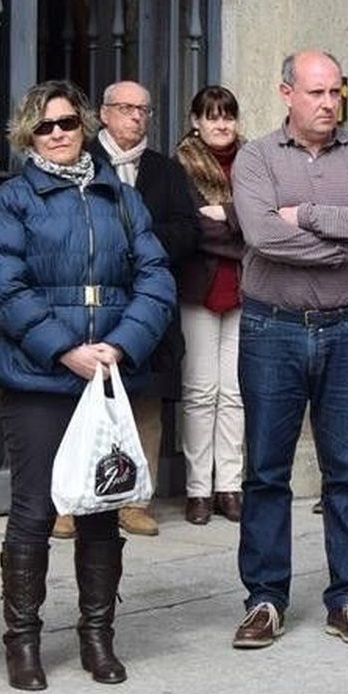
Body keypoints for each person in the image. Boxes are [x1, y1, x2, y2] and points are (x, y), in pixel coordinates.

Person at [0, 80, 176, 690]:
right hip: (39, 377)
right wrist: (65, 350)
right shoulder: (12, 200)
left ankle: (97, 636)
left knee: (101, 511)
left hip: (108, 374)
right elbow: (5, 287)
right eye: (45, 126)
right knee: (35, 511)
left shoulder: (119, 196)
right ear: (26, 135)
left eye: (67, 122)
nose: (59, 133)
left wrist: (119, 346)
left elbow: (156, 276)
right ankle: (24, 642)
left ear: (85, 125)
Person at [230, 50, 348, 651]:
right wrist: (345, 238)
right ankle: (264, 600)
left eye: (336, 92)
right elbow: (260, 235)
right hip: (271, 330)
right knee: (266, 470)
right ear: (286, 93)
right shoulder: (254, 158)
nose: (329, 104)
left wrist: (304, 215)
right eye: (317, 93)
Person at [88, 80, 200, 538]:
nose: (137, 117)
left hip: (149, 302)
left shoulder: (165, 170)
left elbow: (188, 229)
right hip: (94, 300)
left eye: (144, 110)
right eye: (127, 108)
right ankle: (72, 502)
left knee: (145, 406)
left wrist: (143, 244)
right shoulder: (82, 159)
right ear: (104, 113)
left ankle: (134, 500)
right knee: (84, 403)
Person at [173, 86, 247, 526]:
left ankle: (230, 487)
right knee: (201, 393)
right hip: (198, 288)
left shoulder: (255, 161)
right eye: (212, 116)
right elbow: (193, 229)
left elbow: (266, 220)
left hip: (244, 289)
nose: (221, 125)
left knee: (235, 394)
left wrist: (232, 217)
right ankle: (199, 490)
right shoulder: (180, 165)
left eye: (228, 116)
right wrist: (237, 229)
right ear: (196, 121)